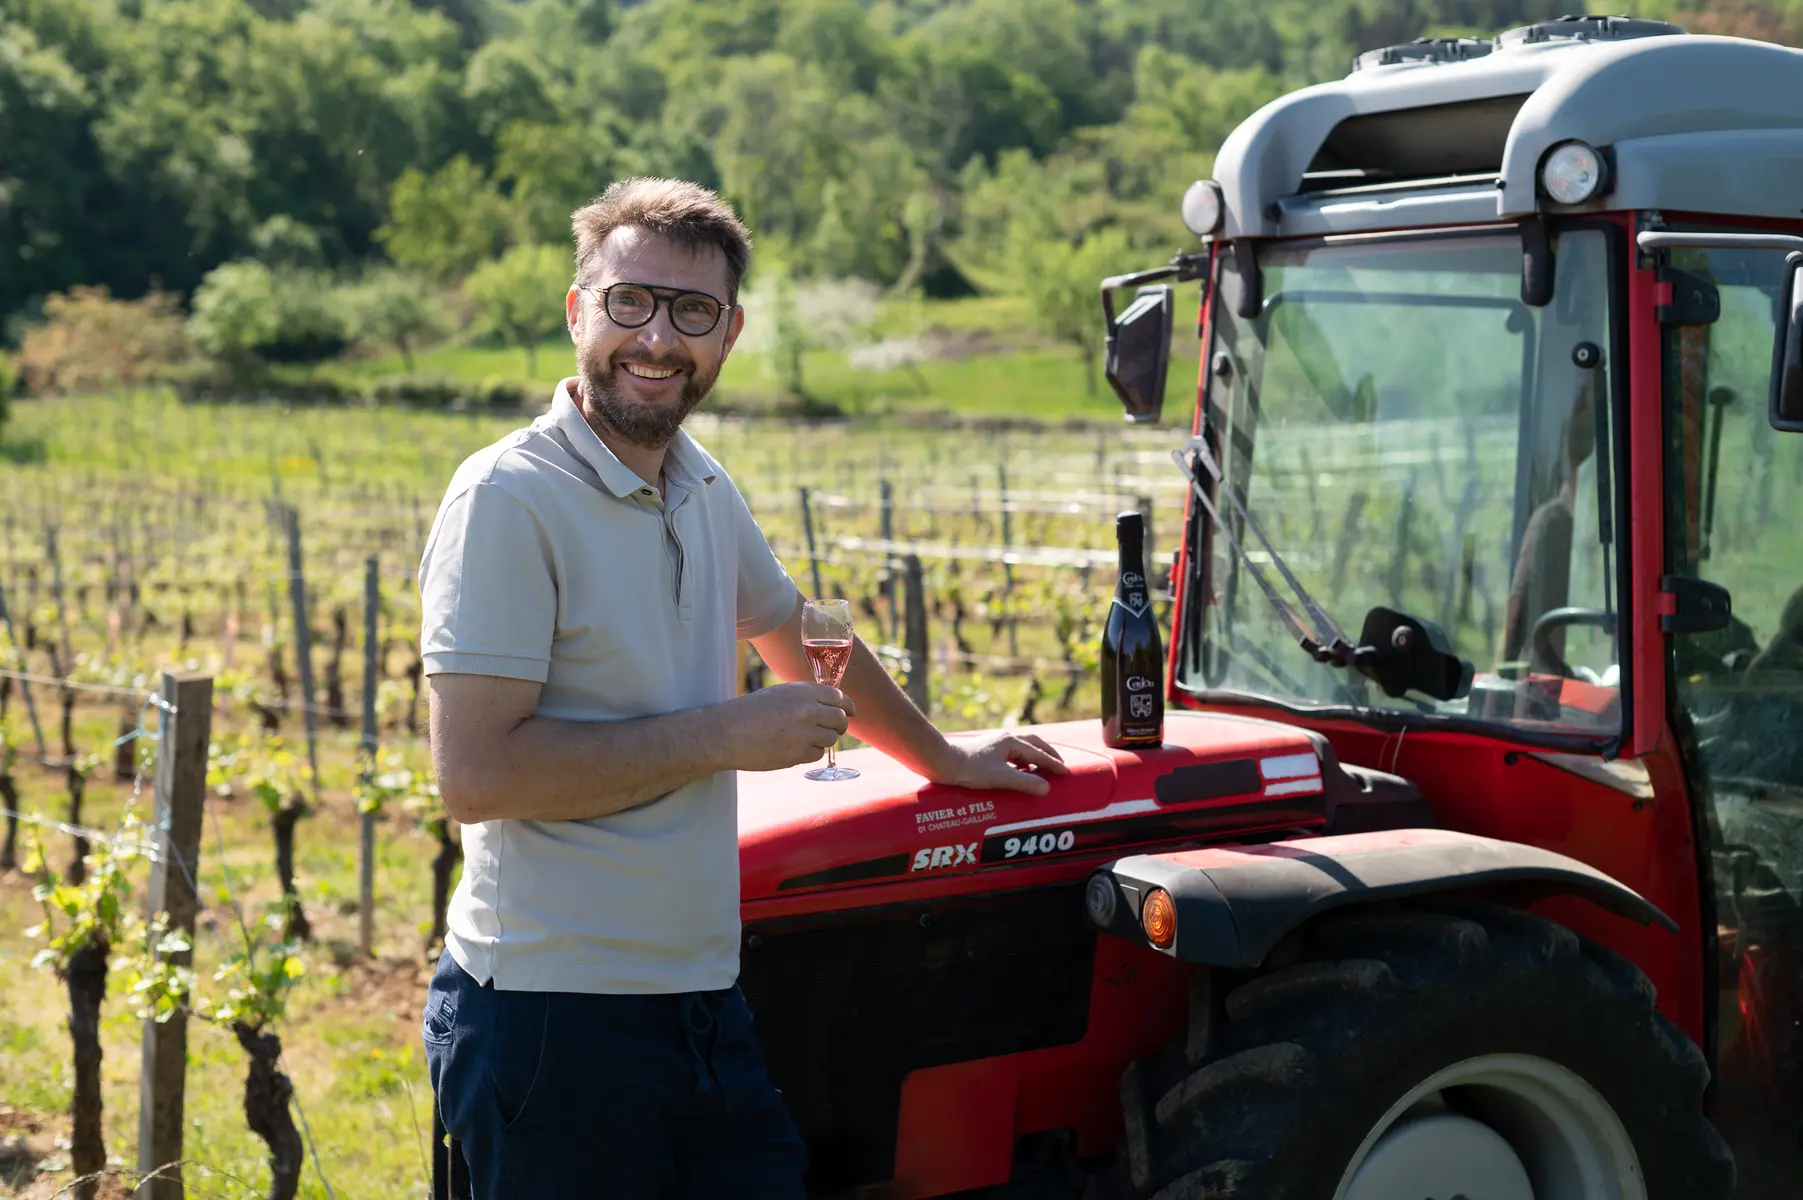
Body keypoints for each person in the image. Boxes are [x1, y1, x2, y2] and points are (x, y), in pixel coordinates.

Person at [417, 177, 1068, 1199]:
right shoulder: (509, 497)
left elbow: (800, 634)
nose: (657, 337)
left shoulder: (702, 484)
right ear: (578, 309)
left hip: (703, 1001)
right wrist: (727, 732)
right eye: (631, 301)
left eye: (693, 312)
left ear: (729, 334)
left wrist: (946, 756)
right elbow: (477, 774)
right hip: (554, 1018)